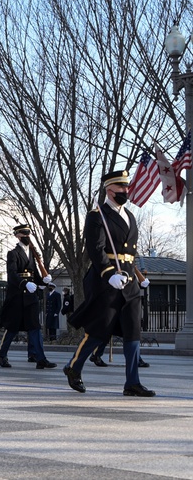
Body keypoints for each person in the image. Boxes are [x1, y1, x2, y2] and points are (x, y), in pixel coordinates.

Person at [64, 170, 155, 397]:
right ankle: (74, 367)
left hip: (129, 281)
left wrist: (136, 278)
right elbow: (96, 249)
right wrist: (108, 273)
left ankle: (132, 382)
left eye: (127, 188)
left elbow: (129, 254)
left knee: (133, 332)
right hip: (107, 281)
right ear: (109, 190)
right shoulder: (97, 216)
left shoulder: (130, 216)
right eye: (121, 188)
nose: (126, 191)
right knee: (99, 330)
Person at [0, 224, 57, 370]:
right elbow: (12, 274)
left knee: (35, 328)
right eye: (24, 234)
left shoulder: (32, 254)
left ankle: (41, 358)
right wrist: (24, 284)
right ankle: (1, 356)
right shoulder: (13, 253)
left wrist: (43, 282)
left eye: (28, 234)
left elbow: (34, 273)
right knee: (12, 329)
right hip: (17, 296)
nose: (27, 236)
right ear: (17, 235)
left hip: (30, 297)